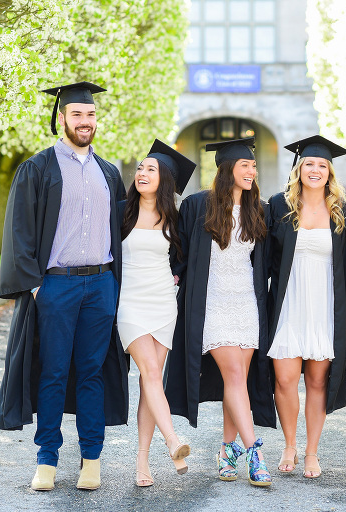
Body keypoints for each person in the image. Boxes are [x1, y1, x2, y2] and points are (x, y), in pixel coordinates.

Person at [0, 82, 129, 491]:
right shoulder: (38, 168)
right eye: (77, 115)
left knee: (91, 373)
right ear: (62, 118)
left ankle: (91, 461)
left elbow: (123, 232)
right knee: (52, 373)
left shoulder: (109, 173)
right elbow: (19, 231)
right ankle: (46, 461)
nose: (85, 122)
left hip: (101, 284)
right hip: (56, 287)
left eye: (90, 115)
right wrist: (36, 288)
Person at [164, 138, 275, 487]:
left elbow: (264, 261)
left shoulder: (259, 208)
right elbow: (177, 250)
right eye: (245, 166)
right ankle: (254, 451)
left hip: (246, 302)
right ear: (227, 169)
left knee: (236, 382)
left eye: (254, 167)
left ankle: (226, 452)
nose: (252, 172)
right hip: (211, 303)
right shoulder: (198, 205)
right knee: (234, 378)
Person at [267, 135, 346, 479]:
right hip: (288, 304)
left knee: (318, 382)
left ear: (330, 171)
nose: (315, 170)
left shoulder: (342, 210)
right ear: (299, 169)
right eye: (309, 164)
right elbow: (268, 258)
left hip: (324, 306)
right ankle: (290, 444)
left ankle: (311, 452)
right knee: (286, 379)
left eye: (322, 165)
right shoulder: (280, 205)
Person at [116, 139, 196, 486]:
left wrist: (178, 275)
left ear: (165, 179)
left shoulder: (175, 219)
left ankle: (142, 461)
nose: (142, 172)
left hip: (164, 301)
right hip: (129, 302)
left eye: (151, 169)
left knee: (151, 380)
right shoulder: (120, 211)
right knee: (149, 371)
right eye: (140, 168)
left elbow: (184, 259)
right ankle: (173, 441)